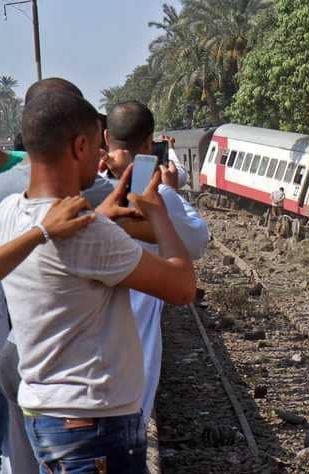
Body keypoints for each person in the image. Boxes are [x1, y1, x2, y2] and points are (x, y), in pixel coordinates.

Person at [0, 91, 196, 472]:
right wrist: (157, 213)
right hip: (93, 425)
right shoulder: (88, 236)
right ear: (79, 145)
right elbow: (182, 285)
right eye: (97, 145)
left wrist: (101, 217)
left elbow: (64, 257)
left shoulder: (9, 213)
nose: (102, 157)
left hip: (47, 413)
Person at [84, 100, 208, 427]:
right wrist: (167, 193)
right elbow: (196, 242)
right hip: (127, 376)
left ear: (105, 136)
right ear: (148, 142)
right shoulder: (157, 198)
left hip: (61, 384)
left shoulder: (59, 197)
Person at [0, 77, 100, 474]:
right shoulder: (88, 197)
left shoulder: (9, 199)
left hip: (13, 341)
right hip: (62, 363)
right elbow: (180, 282)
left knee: (18, 442)